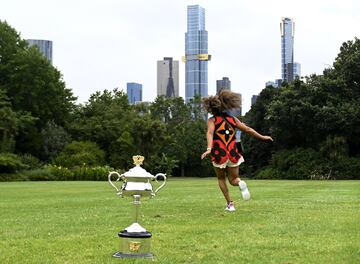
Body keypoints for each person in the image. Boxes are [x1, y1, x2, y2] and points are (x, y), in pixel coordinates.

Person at [201, 90, 273, 212]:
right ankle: (240, 183)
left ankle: (230, 204)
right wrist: (262, 137)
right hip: (233, 153)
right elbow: (248, 129)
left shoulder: (212, 120)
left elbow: (210, 133)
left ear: (211, 109)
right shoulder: (233, 119)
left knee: (221, 179)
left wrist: (209, 148)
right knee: (234, 179)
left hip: (220, 153)